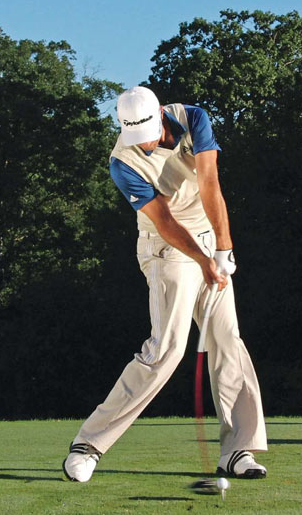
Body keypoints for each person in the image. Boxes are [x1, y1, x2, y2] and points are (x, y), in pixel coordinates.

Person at [62, 86, 268, 482]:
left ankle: (237, 450)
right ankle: (88, 445)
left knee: (227, 339)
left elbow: (210, 184)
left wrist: (222, 249)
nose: (145, 144)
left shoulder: (193, 118)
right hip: (165, 248)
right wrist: (204, 260)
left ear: (160, 114)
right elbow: (166, 222)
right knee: (167, 350)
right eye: (136, 138)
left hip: (207, 238)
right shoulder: (122, 163)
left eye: (150, 134)